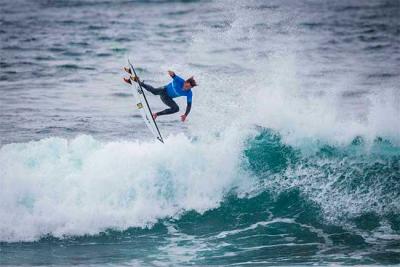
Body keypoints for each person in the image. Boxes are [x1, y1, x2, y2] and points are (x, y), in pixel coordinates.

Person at [123, 69, 196, 122]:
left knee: (176, 109)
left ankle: (156, 114)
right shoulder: (180, 80)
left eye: (189, 88)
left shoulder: (189, 93)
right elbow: (174, 75)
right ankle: (137, 81)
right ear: (185, 82)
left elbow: (189, 105)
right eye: (186, 86)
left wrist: (185, 115)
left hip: (167, 98)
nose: (186, 88)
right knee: (154, 91)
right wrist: (171, 73)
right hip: (164, 90)